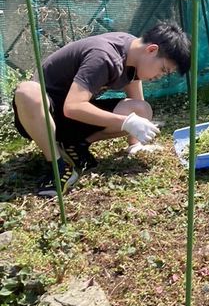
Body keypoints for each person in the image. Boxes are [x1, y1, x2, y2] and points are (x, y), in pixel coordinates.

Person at [12, 22, 191, 197]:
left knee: (141, 111)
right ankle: (58, 166)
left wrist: (135, 144)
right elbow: (72, 107)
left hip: (72, 119)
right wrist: (126, 122)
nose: (160, 76)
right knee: (28, 91)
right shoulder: (103, 56)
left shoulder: (133, 53)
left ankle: (76, 145)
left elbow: (135, 93)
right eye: (163, 69)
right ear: (151, 50)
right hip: (40, 118)